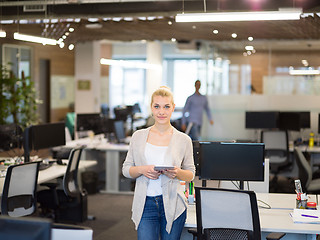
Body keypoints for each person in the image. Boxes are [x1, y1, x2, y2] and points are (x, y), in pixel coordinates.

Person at [122, 86, 195, 240]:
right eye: (157, 106)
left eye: (166, 106)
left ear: (173, 108)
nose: (161, 112)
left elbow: (190, 174)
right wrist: (142, 169)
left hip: (173, 204)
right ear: (151, 108)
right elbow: (126, 169)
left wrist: (177, 172)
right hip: (145, 204)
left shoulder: (183, 139)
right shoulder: (138, 136)